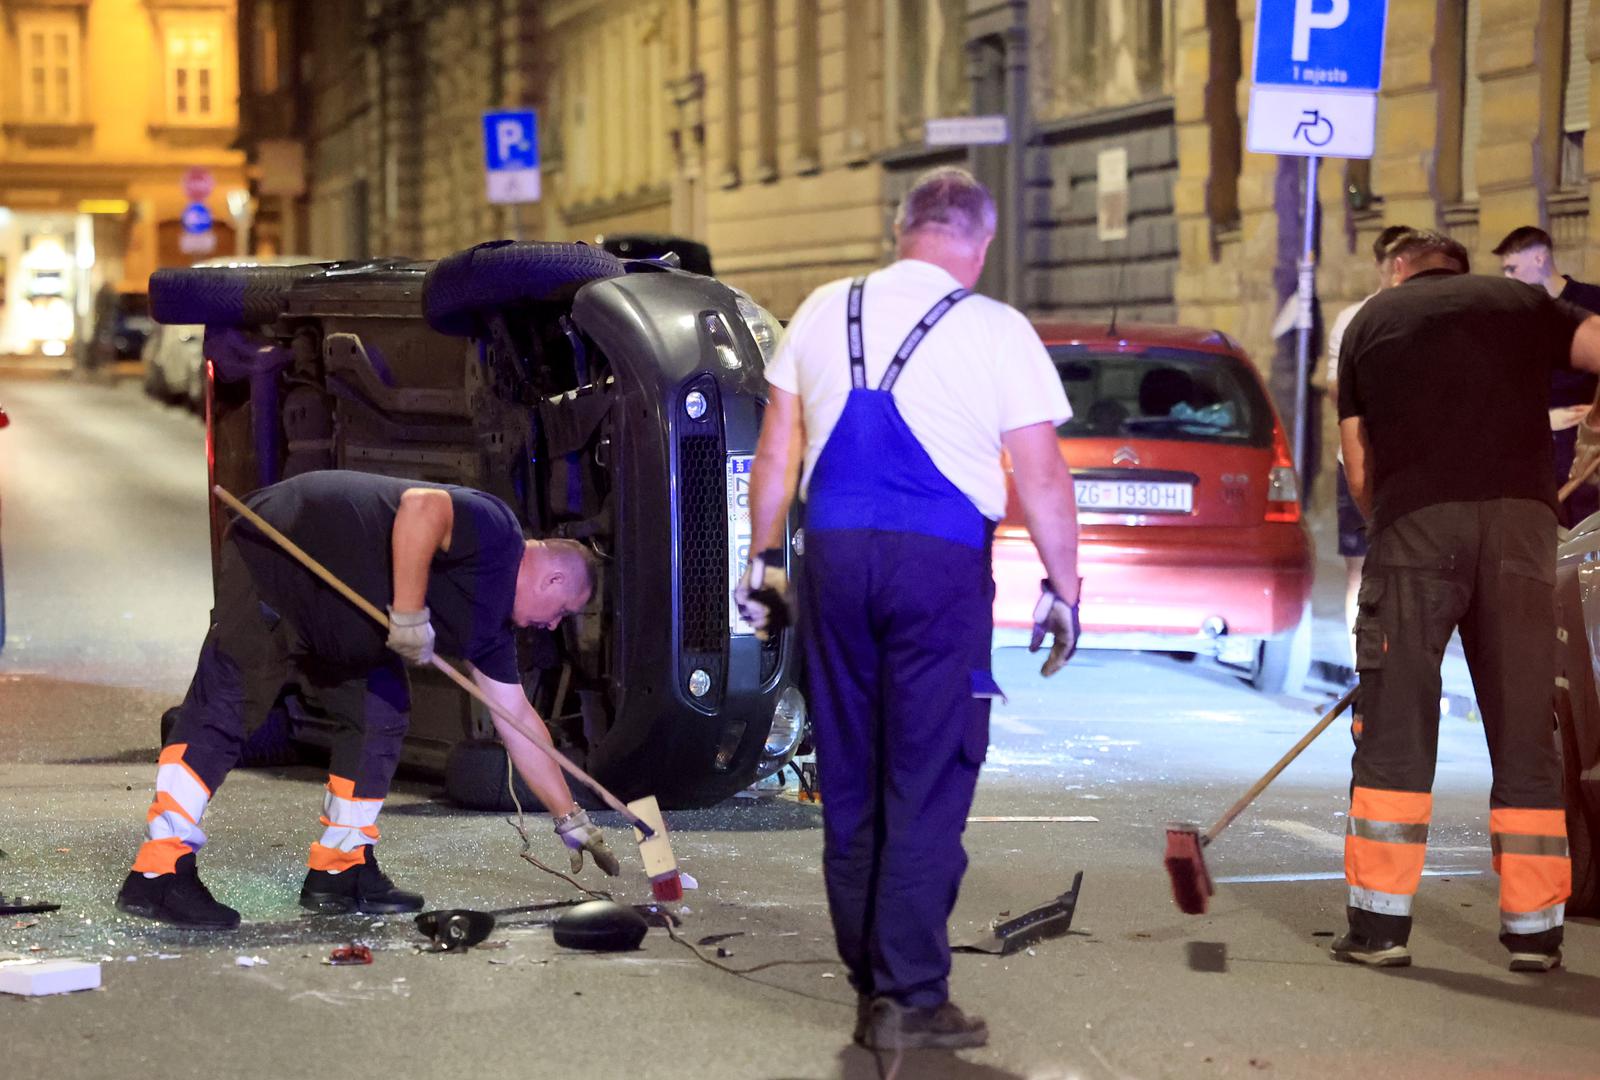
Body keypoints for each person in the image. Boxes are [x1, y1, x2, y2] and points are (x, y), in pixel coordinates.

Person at [736, 167, 1082, 1051]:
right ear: (981, 241)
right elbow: (1042, 476)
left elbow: (776, 452)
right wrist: (1063, 587)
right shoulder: (996, 328)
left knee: (851, 775)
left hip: (835, 562)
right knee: (926, 776)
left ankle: (873, 989)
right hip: (938, 570)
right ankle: (911, 995)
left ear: (901, 230)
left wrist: (764, 561)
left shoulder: (823, 309)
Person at [115, 470, 617, 930]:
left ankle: (339, 868)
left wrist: (569, 818)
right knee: (226, 707)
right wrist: (409, 613)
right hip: (284, 551)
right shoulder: (496, 530)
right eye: (562, 612)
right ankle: (158, 873)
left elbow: (519, 721)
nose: (552, 625)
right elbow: (420, 508)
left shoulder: (491, 636)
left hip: (342, 614)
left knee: (380, 711)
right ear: (553, 579)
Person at [1336, 230, 1600, 972]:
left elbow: (1358, 462)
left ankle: (1380, 931)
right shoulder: (1519, 302)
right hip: (1521, 527)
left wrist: (1390, 531)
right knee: (1525, 726)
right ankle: (1535, 935)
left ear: (1399, 269)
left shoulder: (1373, 321)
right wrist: (1593, 433)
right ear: (1460, 266)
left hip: (1417, 526)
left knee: (1397, 724)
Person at [1327, 225, 1413, 644]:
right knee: (1359, 568)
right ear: (1384, 265)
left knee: (1411, 568)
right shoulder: (1353, 319)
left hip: (1412, 463)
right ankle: (1361, 664)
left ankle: (1401, 659)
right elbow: (1335, 389)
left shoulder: (1428, 315)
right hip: (1360, 459)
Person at [1494, 226, 1600, 526]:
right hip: (1542, 436)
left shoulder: (1592, 300)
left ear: (1539, 259)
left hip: (1588, 437)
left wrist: (1594, 415)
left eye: (1513, 268)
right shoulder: (1517, 313)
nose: (1508, 278)